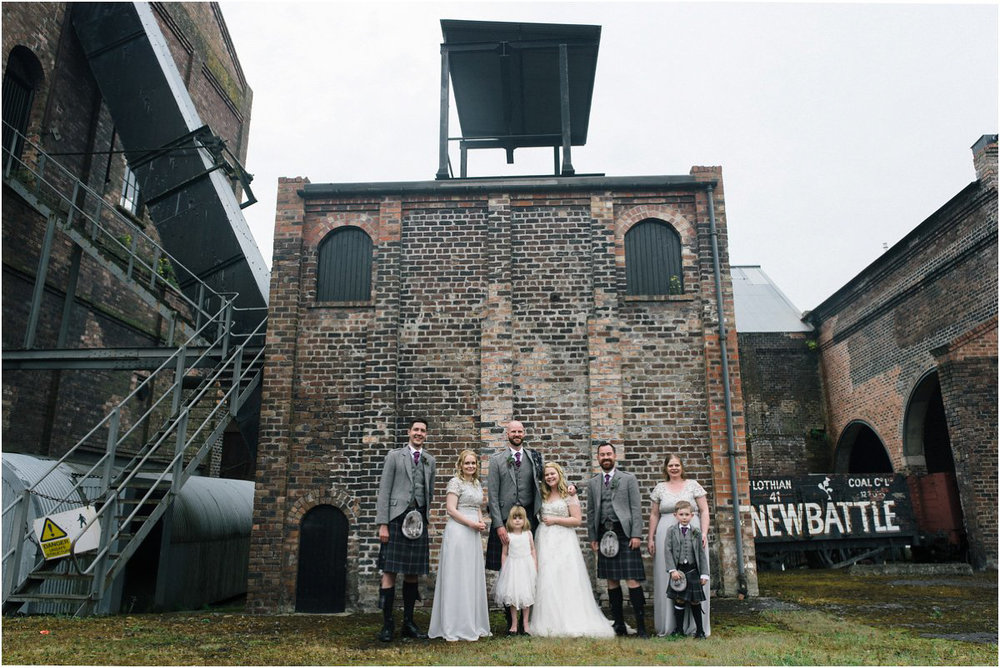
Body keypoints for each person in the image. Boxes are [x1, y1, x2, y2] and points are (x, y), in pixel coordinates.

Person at [532, 463, 615, 638]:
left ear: (559, 474)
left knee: (566, 577)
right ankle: (549, 621)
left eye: (552, 473)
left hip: (564, 539)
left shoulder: (569, 494)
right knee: (548, 577)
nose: (550, 477)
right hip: (545, 539)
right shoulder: (542, 495)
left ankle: (572, 619)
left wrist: (554, 519)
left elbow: (577, 520)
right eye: (547, 475)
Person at [375, 419, 436, 642]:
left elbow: (429, 493)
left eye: (423, 431)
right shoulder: (394, 456)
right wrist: (383, 523)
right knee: (389, 571)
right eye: (416, 430)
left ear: (426, 435)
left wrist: (426, 517)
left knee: (412, 573)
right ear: (409, 432)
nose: (419, 433)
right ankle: (387, 624)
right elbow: (384, 490)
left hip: (418, 519)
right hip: (395, 517)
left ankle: (408, 623)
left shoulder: (430, 461)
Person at [486, 420, 544, 632]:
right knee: (506, 570)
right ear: (507, 434)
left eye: (520, 431)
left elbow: (546, 482)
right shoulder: (496, 460)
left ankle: (525, 622)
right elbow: (492, 495)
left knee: (528, 567)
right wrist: (498, 525)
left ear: (524, 433)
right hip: (505, 520)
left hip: (528, 518)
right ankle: (510, 621)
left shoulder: (534, 458)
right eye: (513, 431)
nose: (517, 434)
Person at [586, 442, 648, 637]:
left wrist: (636, 534)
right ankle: (619, 624)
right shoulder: (593, 482)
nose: (605, 457)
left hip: (625, 534)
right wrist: (593, 537)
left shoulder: (628, 479)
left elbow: (636, 508)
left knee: (632, 580)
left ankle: (642, 626)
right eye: (602, 454)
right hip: (604, 534)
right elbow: (591, 512)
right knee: (611, 581)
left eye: (609, 454)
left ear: (615, 456)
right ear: (598, 458)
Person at [428, 450, 491, 641]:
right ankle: (453, 624)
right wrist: (470, 523)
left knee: (470, 575)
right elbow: (451, 509)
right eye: (467, 463)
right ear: (460, 465)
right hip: (458, 531)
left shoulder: (477, 483)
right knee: (457, 574)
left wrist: (480, 522)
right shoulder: (455, 482)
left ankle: (472, 622)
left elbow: (478, 507)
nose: (471, 466)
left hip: (473, 533)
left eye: (473, 463)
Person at [647, 453, 711, 637]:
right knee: (668, 576)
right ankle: (672, 625)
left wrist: (704, 532)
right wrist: (651, 538)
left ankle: (697, 627)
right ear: (666, 468)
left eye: (677, 465)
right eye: (670, 465)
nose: (674, 468)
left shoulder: (693, 486)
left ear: (682, 467)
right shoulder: (660, 488)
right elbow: (654, 514)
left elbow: (705, 510)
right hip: (665, 536)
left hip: (694, 534)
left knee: (694, 574)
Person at [663, 500, 709, 638]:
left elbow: (701, 554)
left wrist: (704, 574)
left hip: (693, 571)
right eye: (681, 514)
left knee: (695, 600)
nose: (684, 517)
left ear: (692, 515)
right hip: (679, 571)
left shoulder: (696, 532)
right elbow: (667, 551)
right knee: (679, 600)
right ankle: (679, 629)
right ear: (675, 515)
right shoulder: (671, 531)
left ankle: (700, 631)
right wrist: (672, 570)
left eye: (687, 514)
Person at [492, 505, 537, 636]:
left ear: (525, 520)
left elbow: (533, 549)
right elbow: (504, 554)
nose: (517, 520)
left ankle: (526, 624)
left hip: (526, 567)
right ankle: (514, 624)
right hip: (513, 568)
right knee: (512, 596)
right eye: (514, 518)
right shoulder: (508, 536)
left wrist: (535, 564)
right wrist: (505, 569)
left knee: (526, 596)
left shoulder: (528, 534)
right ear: (510, 520)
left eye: (520, 518)